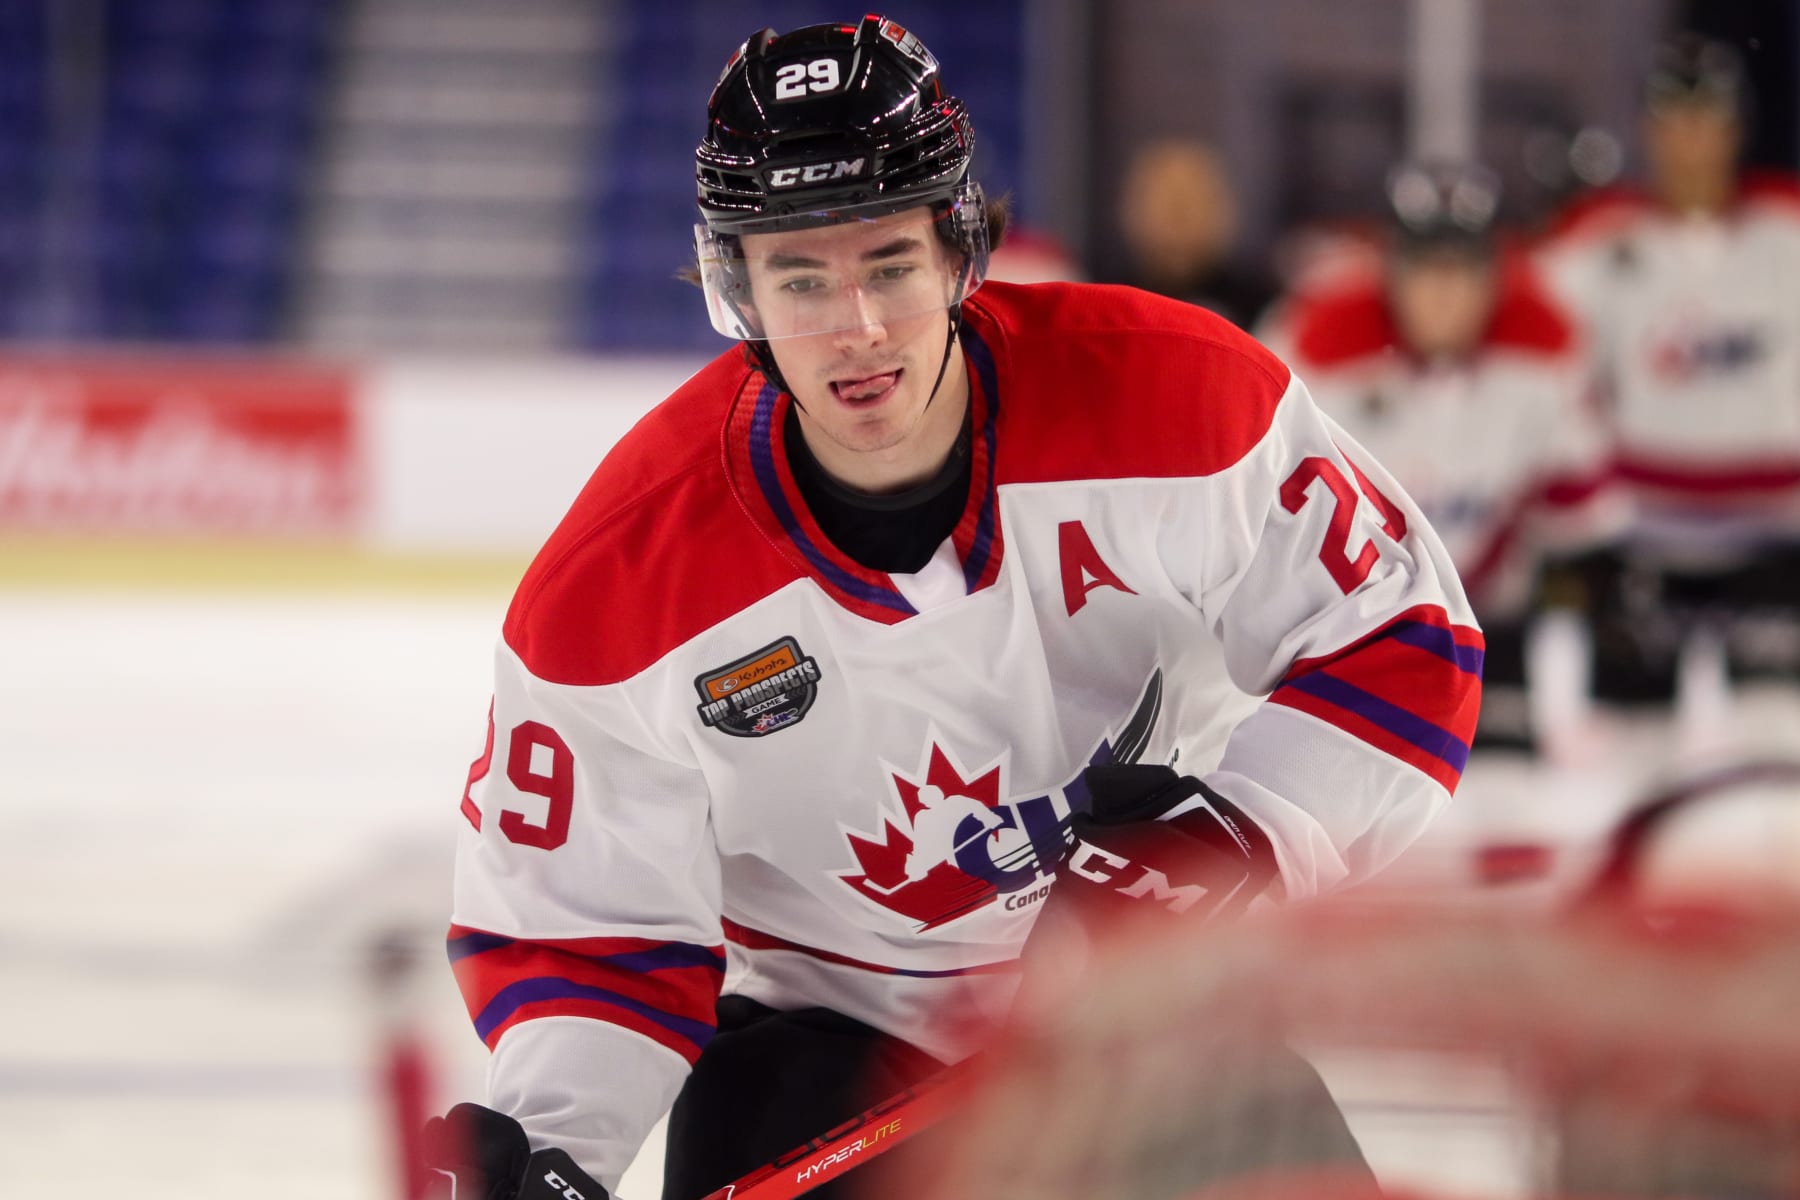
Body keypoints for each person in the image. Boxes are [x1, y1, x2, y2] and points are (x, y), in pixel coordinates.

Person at [426, 16, 1480, 1200]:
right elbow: (590, 939)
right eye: (802, 278)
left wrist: (1246, 834)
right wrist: (555, 1150)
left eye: (888, 265)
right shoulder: (621, 582)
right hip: (821, 1043)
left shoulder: (1177, 399)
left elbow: (1401, 639)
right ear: (739, 288)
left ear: (958, 251)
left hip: (1145, 1023)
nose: (858, 330)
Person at [1266, 162, 1613, 752]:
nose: (1446, 292)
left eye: (1464, 270)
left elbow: (1579, 527)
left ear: (1495, 278)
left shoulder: (1543, 358)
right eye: (1427, 269)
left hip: (1493, 648)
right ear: (1392, 274)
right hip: (1348, 649)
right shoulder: (1311, 349)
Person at [1535, 34, 1800, 708]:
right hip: (1637, 539)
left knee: (1776, 754)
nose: (1690, 139)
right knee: (1627, 751)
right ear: (1650, 130)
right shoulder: (1596, 241)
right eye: (1674, 120)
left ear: (1735, 126)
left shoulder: (1787, 228)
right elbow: (1530, 353)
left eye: (1706, 119)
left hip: (1776, 538)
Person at [1113, 138, 1278, 329]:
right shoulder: (1110, 307)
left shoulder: (1266, 313)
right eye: (1166, 200)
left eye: (1193, 200)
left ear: (1224, 208)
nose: (1178, 216)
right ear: (1131, 209)